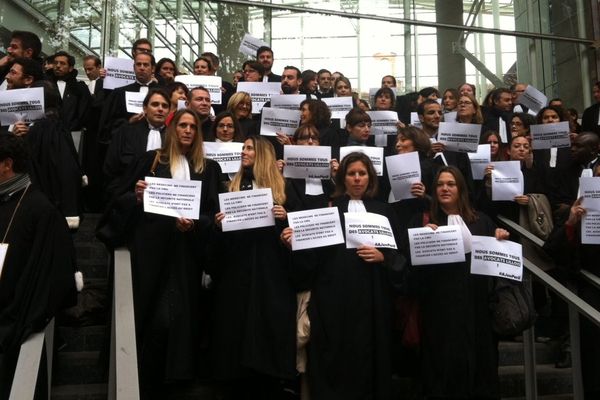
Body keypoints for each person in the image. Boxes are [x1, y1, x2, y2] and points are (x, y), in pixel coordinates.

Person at [108, 108, 222, 398]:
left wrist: (196, 224)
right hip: (153, 249)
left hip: (188, 252)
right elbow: (119, 198)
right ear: (172, 130)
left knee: (181, 315)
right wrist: (135, 196)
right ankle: (147, 377)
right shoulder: (151, 160)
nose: (187, 131)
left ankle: (178, 375)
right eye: (182, 125)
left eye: (193, 127)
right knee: (155, 315)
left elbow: (211, 212)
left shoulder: (208, 168)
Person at [283, 152, 404, 400]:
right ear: (343, 178)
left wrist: (384, 258)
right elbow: (312, 259)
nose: (357, 179)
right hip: (333, 297)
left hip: (373, 298)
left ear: (370, 177)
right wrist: (294, 243)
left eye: (362, 173)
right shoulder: (329, 209)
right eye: (351, 174)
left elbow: (401, 256)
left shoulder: (385, 211)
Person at [403, 165, 509, 400]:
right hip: (438, 311)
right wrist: (423, 240)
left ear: (460, 189)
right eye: (440, 184)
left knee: (480, 368)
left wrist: (499, 239)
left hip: (477, 309)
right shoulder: (422, 221)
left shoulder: (482, 221)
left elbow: (495, 266)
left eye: (450, 184)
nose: (444, 189)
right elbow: (411, 275)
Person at [208, 135, 299, 398]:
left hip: (273, 273)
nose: (244, 152)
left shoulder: (285, 189)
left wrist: (285, 218)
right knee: (235, 326)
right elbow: (217, 241)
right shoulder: (230, 187)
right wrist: (218, 224)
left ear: (262, 154)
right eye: (243, 148)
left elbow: (297, 234)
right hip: (237, 270)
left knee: (268, 325)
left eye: (249, 148)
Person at [0, 134, 77, 399]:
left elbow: (53, 278)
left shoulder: (40, 208)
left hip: (13, 328)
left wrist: (15, 321)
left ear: (6, 164)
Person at [103, 89, 169, 197]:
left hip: (163, 199)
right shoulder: (126, 132)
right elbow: (110, 168)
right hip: (127, 197)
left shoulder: (174, 138)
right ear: (145, 109)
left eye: (165, 106)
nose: (160, 109)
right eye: (155, 104)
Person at [98, 51, 160, 143]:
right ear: (134, 68)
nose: (142, 68)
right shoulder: (119, 93)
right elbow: (109, 124)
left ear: (153, 68)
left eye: (146, 65)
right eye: (138, 64)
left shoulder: (162, 92)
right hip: (128, 144)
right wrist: (129, 122)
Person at [285, 124, 335, 210]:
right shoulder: (285, 168)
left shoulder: (330, 168)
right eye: (305, 138)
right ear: (295, 142)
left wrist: (336, 176)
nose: (311, 141)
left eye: (314, 138)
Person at [46, 50, 91, 133]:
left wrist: (73, 127)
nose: (58, 66)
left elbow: (84, 112)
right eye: (56, 63)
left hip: (72, 134)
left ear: (70, 68)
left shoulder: (80, 87)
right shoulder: (44, 85)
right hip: (48, 134)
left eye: (62, 63)